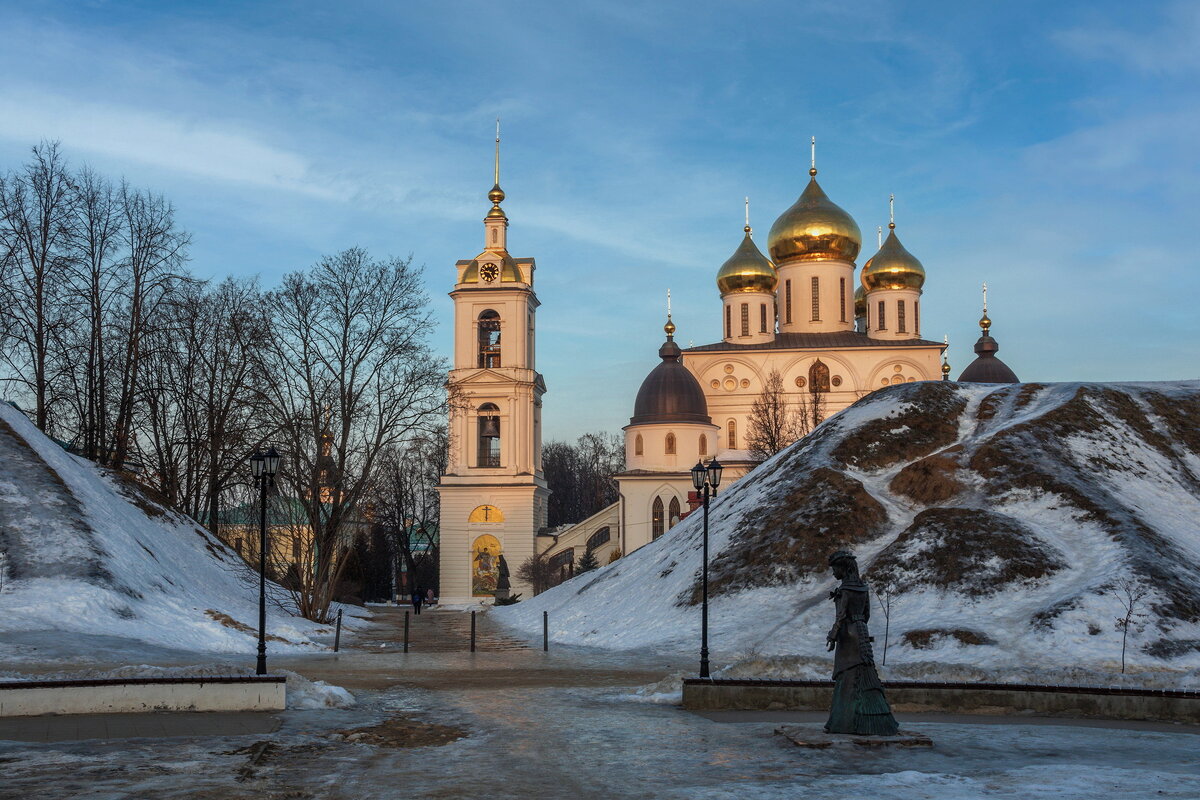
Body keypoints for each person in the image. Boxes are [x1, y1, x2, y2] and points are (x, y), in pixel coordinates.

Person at [824, 550, 899, 736]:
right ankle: (874, 719)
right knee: (864, 669)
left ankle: (846, 721)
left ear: (844, 568)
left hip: (848, 634)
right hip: (861, 630)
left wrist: (833, 635)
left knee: (848, 673)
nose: (833, 573)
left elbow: (841, 616)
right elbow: (866, 615)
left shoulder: (845, 590)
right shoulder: (862, 588)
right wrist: (860, 626)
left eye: (835, 569)